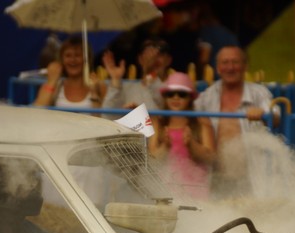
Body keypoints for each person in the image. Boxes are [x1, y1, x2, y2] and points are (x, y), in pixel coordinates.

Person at [194, 46, 278, 195]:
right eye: (225, 62)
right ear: (218, 67)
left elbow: (276, 115)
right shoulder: (207, 97)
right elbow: (189, 119)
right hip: (216, 176)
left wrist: (264, 113)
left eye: (235, 62)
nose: (230, 67)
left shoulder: (259, 93)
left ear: (245, 66)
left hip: (252, 176)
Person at [149, 72, 216, 200]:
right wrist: (165, 146)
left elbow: (211, 157)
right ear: (165, 97)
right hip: (165, 193)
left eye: (182, 94)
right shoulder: (157, 122)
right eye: (170, 94)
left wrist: (192, 144)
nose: (175, 98)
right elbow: (152, 160)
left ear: (190, 97)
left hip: (196, 192)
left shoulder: (202, 121)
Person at [33, 35, 106, 110]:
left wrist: (94, 94)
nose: (73, 60)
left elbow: (104, 118)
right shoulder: (56, 85)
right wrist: (51, 81)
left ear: (87, 59)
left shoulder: (99, 86)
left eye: (77, 55)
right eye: (68, 56)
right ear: (61, 60)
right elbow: (37, 109)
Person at [101, 38, 172, 114]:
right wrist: (115, 79)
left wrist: (150, 73)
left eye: (159, 55)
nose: (153, 59)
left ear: (168, 60)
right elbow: (108, 115)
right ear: (140, 59)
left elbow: (162, 109)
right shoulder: (127, 87)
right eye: (149, 54)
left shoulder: (174, 89)